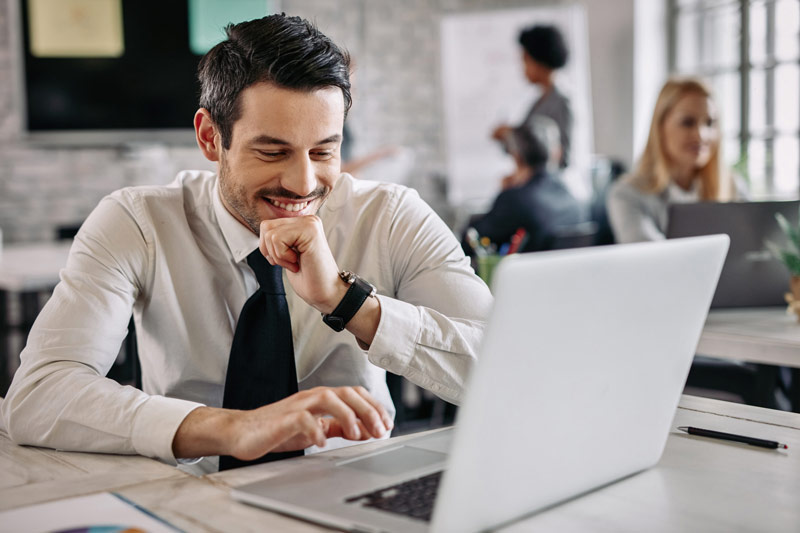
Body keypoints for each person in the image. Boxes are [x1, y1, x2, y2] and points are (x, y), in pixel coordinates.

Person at [1, 15, 492, 474]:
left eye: (324, 151)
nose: (303, 184)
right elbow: (38, 395)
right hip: (194, 491)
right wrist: (235, 428)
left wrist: (348, 301)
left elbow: (503, 370)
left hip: (356, 482)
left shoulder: (391, 215)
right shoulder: (138, 220)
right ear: (211, 138)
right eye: (272, 151)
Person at [607, 77, 744, 243]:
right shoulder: (628, 194)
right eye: (688, 122)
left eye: (709, 123)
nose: (701, 135)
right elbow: (652, 258)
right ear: (660, 127)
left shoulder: (733, 186)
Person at [467, 116, 585, 253]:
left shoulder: (513, 200)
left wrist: (505, 192)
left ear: (517, 157)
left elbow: (471, 240)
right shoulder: (574, 199)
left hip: (528, 273)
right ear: (556, 153)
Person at [492, 24, 572, 169]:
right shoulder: (539, 101)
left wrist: (510, 134)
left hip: (548, 187)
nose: (523, 68)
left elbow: (562, 158)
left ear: (539, 60)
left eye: (525, 60)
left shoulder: (562, 102)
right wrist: (508, 136)